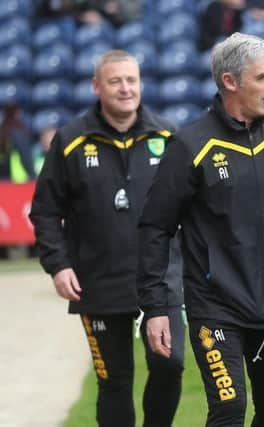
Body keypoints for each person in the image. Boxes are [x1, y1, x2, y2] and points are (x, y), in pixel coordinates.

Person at [137, 32, 264, 427]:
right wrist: (156, 307)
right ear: (230, 82)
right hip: (216, 308)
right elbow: (154, 228)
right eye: (263, 77)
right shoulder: (189, 144)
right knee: (229, 409)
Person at [29, 50, 185, 427]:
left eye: (131, 80)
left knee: (171, 365)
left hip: (161, 281)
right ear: (96, 86)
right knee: (114, 382)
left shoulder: (168, 135)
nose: (125, 88)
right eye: (115, 81)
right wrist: (59, 264)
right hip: (99, 283)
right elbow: (45, 211)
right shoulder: (69, 141)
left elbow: (192, 207)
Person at [0, 103, 36, 183]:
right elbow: (26, 158)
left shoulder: (3, 132)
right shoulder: (18, 133)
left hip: (3, 181)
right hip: (18, 182)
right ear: (17, 114)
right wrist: (33, 177)